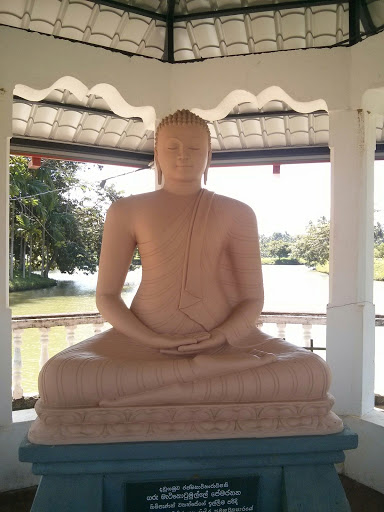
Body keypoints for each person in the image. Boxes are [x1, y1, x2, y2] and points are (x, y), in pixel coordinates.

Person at [31, 110, 342, 443]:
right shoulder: (126, 210)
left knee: (310, 371)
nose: (183, 155)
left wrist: (221, 337)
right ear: (156, 154)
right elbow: (106, 296)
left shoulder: (236, 212)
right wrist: (153, 340)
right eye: (173, 147)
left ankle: (189, 378)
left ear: (209, 156)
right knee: (58, 377)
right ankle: (204, 375)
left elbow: (253, 299)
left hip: (223, 342)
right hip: (142, 341)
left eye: (195, 148)